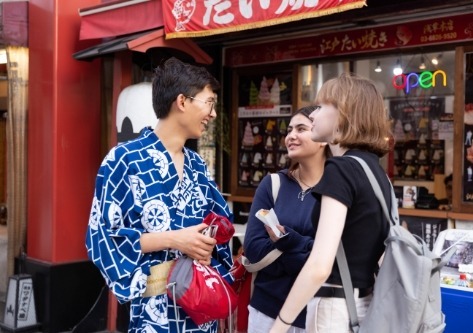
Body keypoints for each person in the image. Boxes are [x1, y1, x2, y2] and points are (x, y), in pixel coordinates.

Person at [85, 57, 233, 333]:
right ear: (182, 101)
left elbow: (220, 225)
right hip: (155, 312)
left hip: (201, 309)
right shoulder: (123, 160)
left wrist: (211, 240)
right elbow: (101, 237)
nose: (213, 114)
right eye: (209, 102)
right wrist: (175, 239)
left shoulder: (197, 165)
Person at [270, 73, 393, 333]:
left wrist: (279, 326)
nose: (313, 115)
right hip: (366, 303)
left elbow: (319, 266)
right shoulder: (375, 171)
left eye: (322, 106)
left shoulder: (341, 169)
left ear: (344, 115)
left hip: (334, 309)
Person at [244, 106, 331, 333]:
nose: (291, 136)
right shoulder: (273, 184)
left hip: (316, 316)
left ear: (322, 139)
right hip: (266, 312)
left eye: (301, 129)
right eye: (290, 130)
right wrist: (308, 253)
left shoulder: (335, 191)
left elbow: (334, 259)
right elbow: (253, 248)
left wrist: (287, 242)